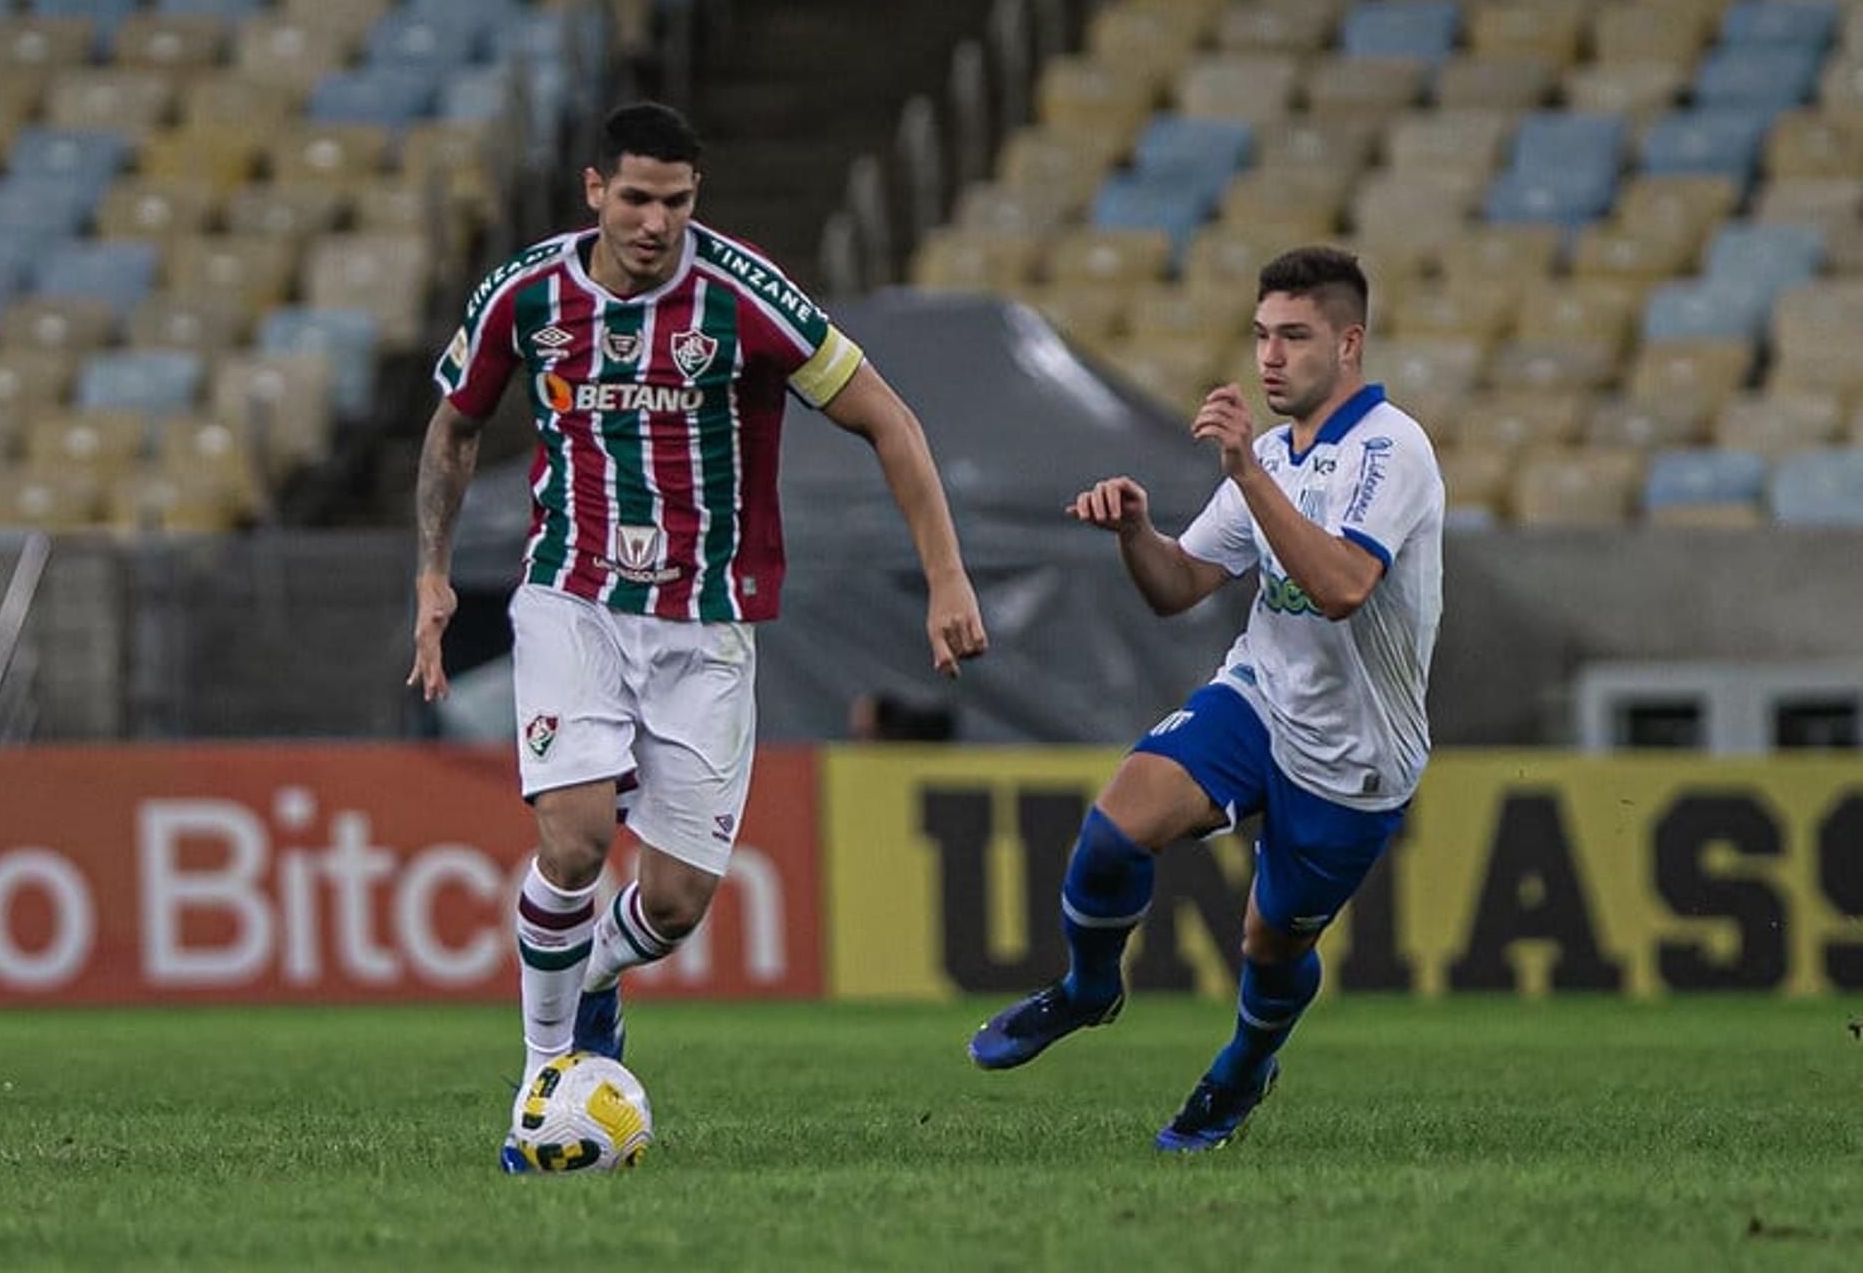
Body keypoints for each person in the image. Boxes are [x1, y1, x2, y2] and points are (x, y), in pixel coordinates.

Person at [406, 101, 989, 1170]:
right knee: (575, 836)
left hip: (706, 623)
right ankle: (541, 1081)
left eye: (675, 201)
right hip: (570, 595)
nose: (655, 221)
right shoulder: (526, 294)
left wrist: (946, 575)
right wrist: (435, 573)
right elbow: (455, 424)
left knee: (673, 903)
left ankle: (590, 978)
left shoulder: (742, 295)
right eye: (635, 197)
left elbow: (888, 419)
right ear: (593, 190)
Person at [967, 246, 1443, 1152]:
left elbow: (1343, 585)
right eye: (1262, 336)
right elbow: (1179, 585)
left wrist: (1247, 475)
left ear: (1349, 344)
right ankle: (1088, 988)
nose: (1269, 357)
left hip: (1358, 753)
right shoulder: (1271, 453)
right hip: (1260, 697)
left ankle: (1243, 1068)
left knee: (1271, 944)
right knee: (1114, 828)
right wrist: (1137, 530)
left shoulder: (1394, 450)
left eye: (1294, 338)